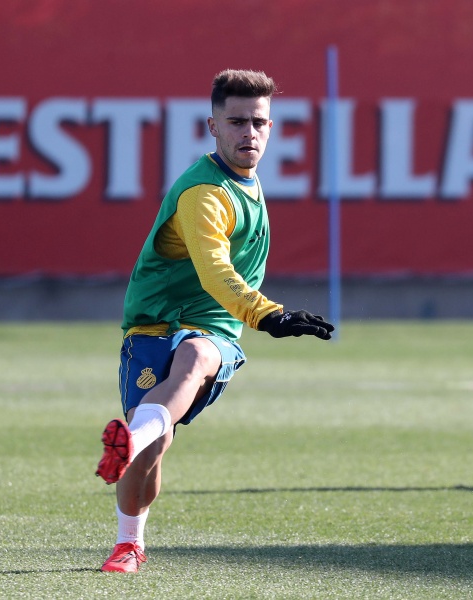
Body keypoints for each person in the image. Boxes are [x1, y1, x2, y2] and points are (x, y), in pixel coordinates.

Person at [95, 68, 334, 573]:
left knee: (198, 354)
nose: (249, 132)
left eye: (259, 122)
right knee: (155, 447)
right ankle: (129, 540)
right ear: (213, 127)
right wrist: (271, 315)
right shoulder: (204, 192)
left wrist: (255, 317)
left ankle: (130, 445)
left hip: (212, 329)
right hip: (154, 325)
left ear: (271, 128)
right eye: (237, 121)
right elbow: (214, 272)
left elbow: (217, 291)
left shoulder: (244, 179)